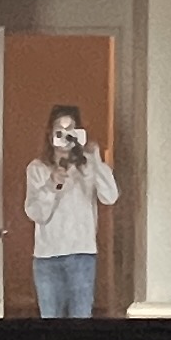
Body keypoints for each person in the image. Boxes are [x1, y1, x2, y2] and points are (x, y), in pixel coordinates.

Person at [22, 104, 117, 317]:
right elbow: (37, 213)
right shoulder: (37, 169)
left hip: (81, 255)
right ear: (50, 134)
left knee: (81, 322)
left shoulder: (87, 167)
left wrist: (95, 160)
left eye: (70, 130)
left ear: (79, 134)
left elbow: (110, 197)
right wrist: (51, 185)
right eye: (59, 131)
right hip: (47, 258)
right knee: (50, 321)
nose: (65, 136)